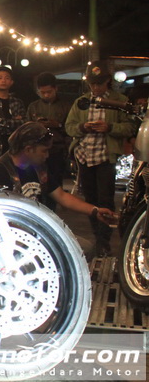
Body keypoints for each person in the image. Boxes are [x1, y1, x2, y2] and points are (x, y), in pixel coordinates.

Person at [0, 122, 116, 233]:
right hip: (16, 236)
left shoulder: (38, 168)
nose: (47, 155)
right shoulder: (0, 170)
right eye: (44, 150)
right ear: (28, 149)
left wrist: (95, 211)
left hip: (36, 232)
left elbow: (62, 196)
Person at [66, 61, 136, 256]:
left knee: (105, 198)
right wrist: (83, 127)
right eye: (92, 83)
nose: (95, 87)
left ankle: (103, 241)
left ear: (108, 81)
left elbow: (130, 127)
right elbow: (69, 126)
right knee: (90, 199)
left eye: (99, 83)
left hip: (106, 156)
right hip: (84, 155)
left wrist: (109, 127)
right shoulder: (81, 101)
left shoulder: (119, 100)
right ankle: (98, 237)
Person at [26, 72, 71, 194]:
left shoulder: (65, 106)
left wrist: (58, 125)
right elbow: (26, 128)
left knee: (56, 182)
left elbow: (71, 129)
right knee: (37, 182)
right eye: (42, 92)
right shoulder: (33, 107)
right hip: (37, 150)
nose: (46, 95)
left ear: (56, 89)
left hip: (57, 150)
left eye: (49, 92)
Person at [0, 66, 26, 163]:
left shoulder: (17, 102)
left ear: (11, 82)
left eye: (7, 78)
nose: (3, 80)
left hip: (13, 149)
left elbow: (22, 124)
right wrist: (13, 121)